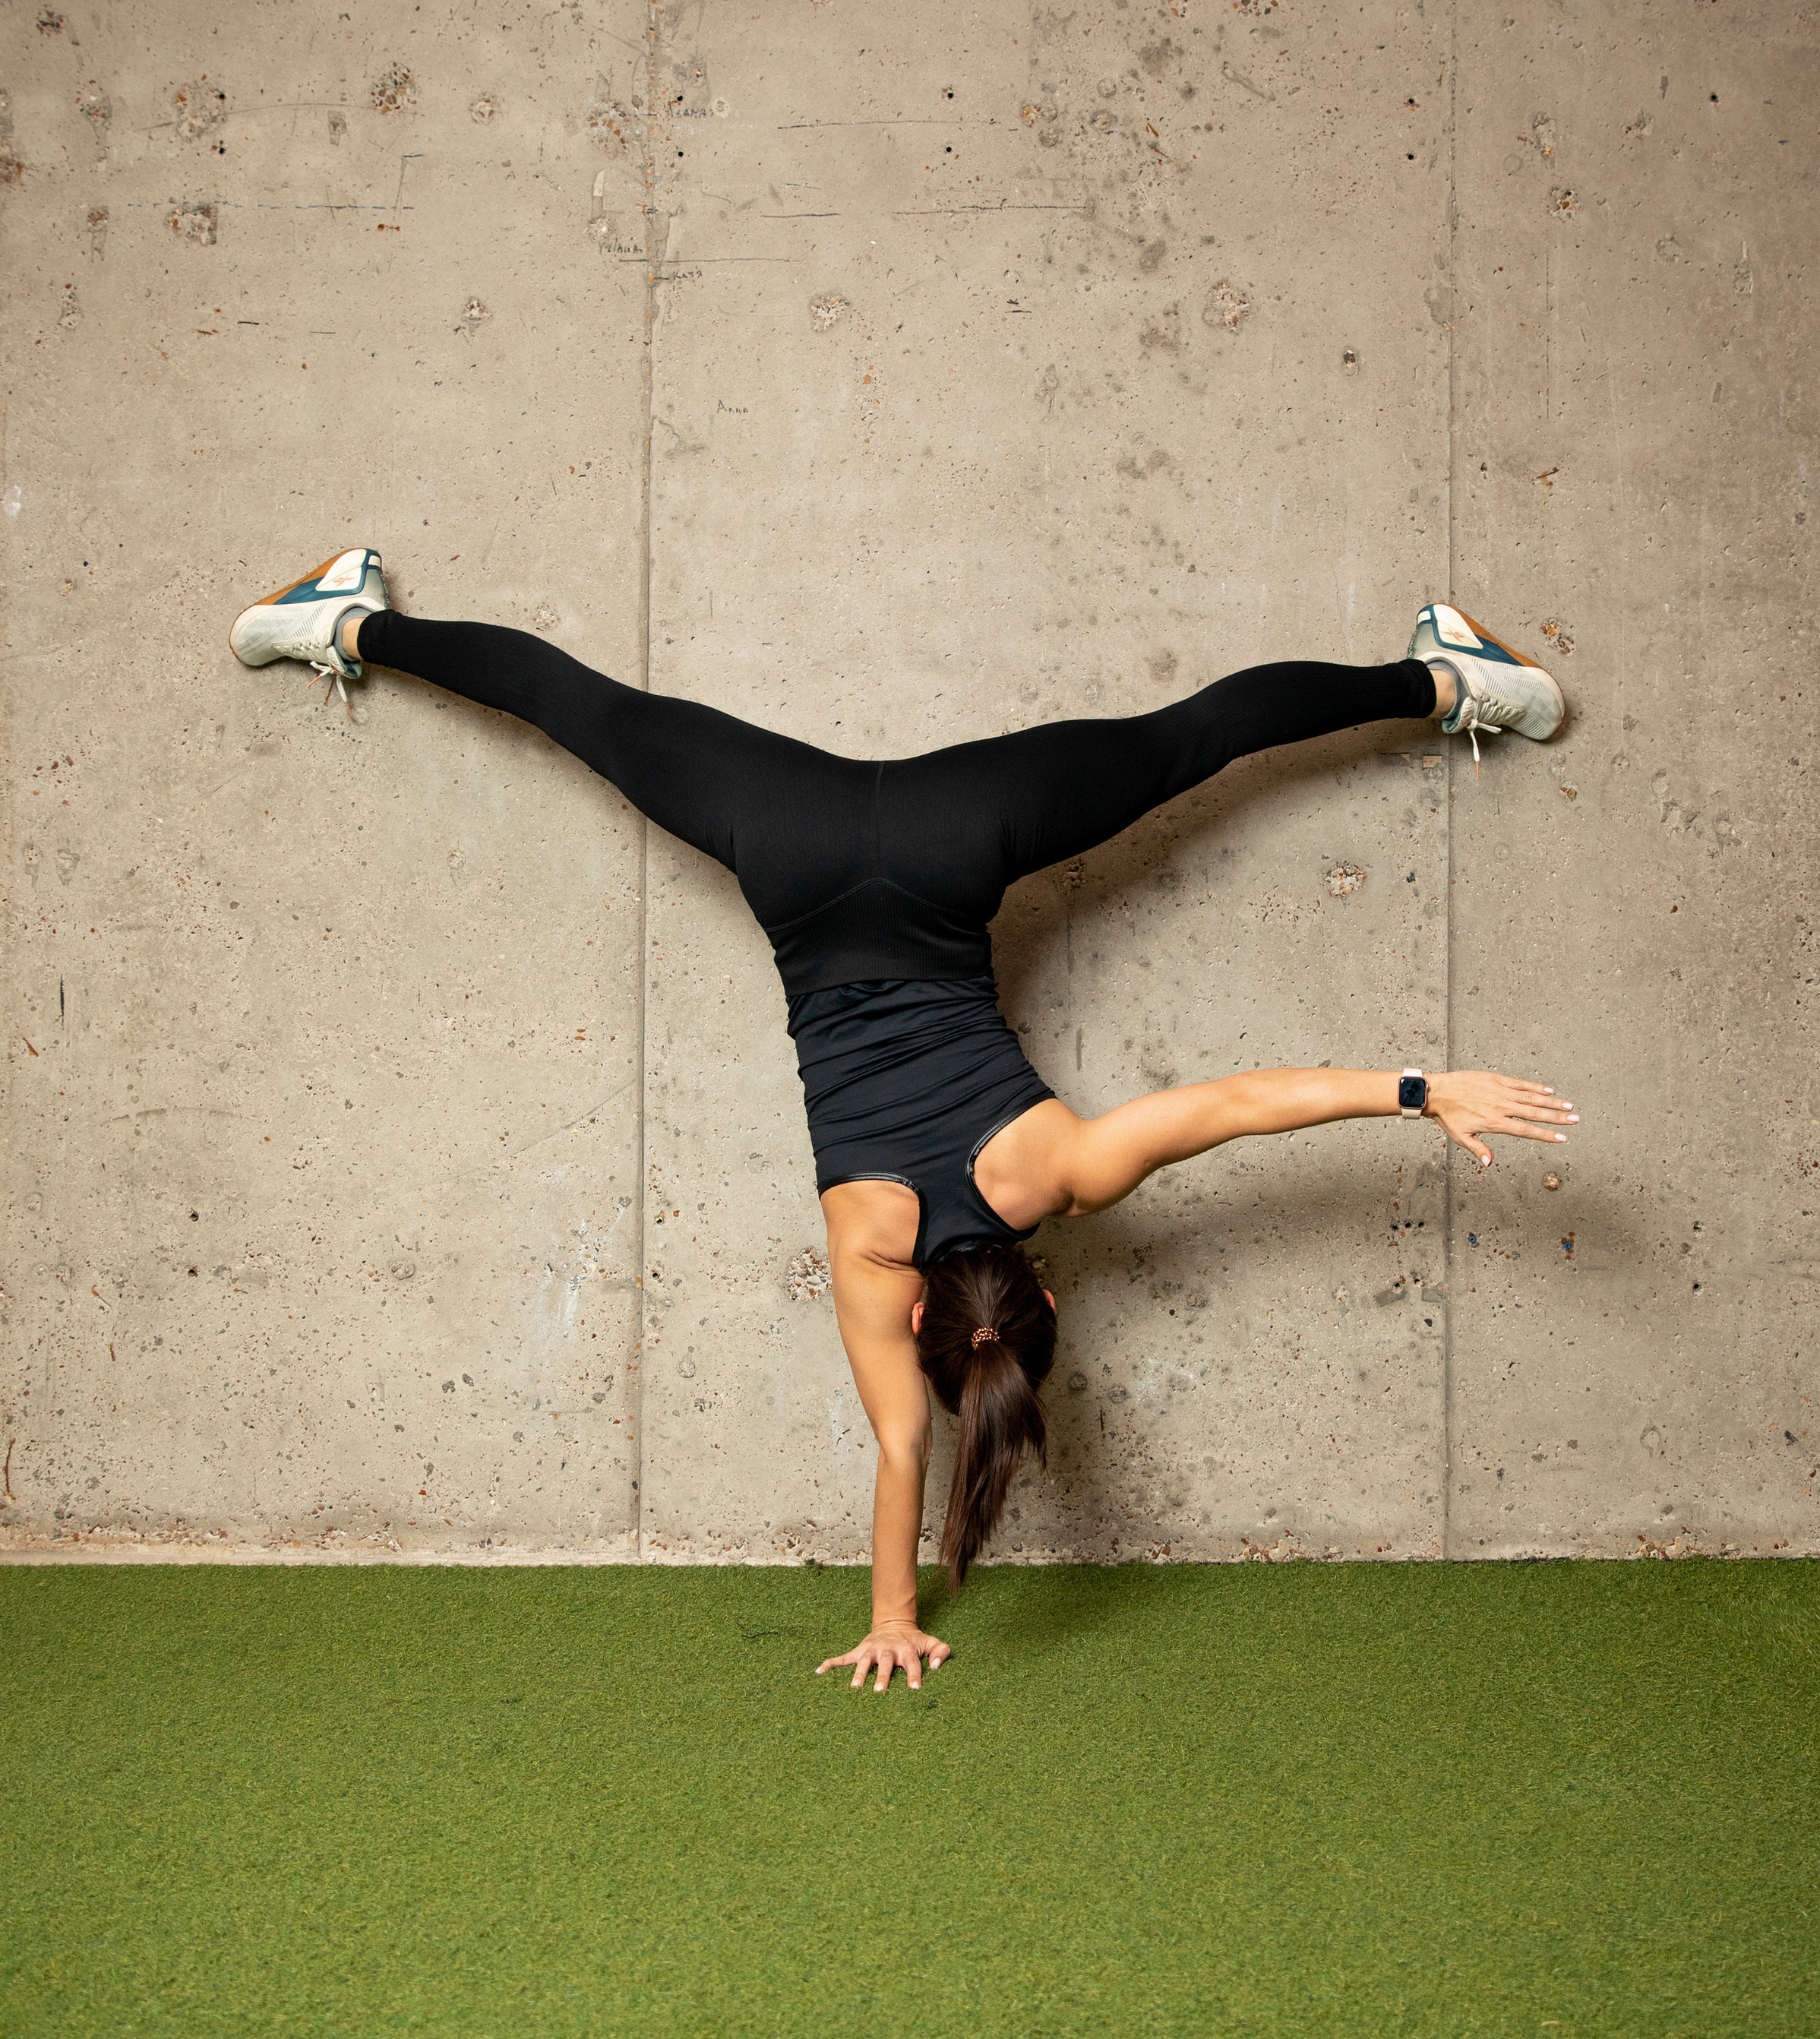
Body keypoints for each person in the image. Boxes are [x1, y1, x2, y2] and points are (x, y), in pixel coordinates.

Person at [231, 553, 1576, 1690]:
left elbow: (1231, 1106)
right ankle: (344, 616)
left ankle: (1444, 673)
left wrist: (1422, 1088)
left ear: (1037, 1283)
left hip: (953, 833)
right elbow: (900, 1443)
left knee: (1192, 737)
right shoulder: (874, 1252)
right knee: (586, 712)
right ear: (940, 1320)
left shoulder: (1055, 1174)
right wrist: (886, 1616)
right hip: (793, 849)